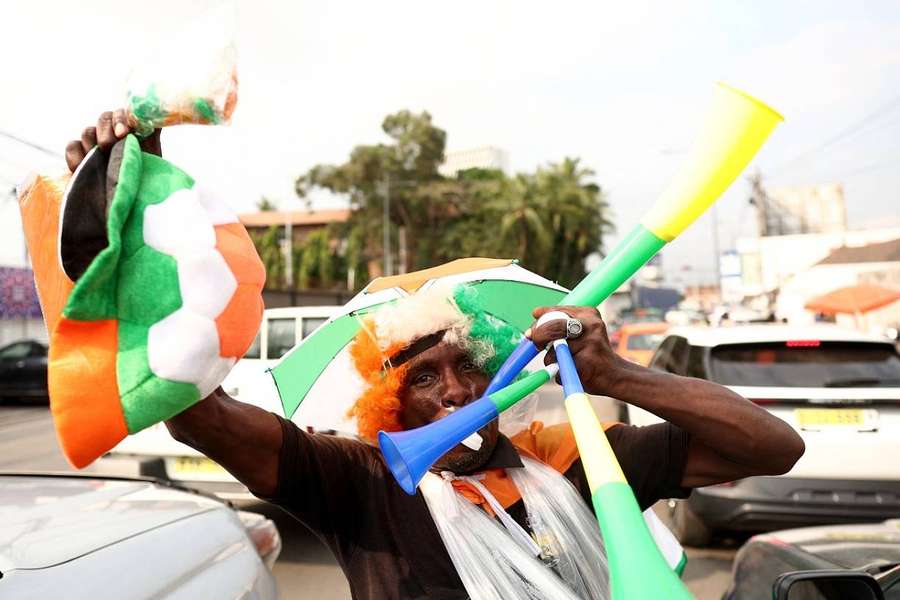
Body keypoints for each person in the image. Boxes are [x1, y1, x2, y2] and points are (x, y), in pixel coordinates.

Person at [65, 115, 805, 600]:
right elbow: (197, 416)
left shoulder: (573, 463)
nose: (453, 389)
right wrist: (141, 235)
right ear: (389, 404)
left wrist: (616, 376)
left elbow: (776, 447)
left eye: (466, 367)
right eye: (423, 376)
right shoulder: (361, 481)